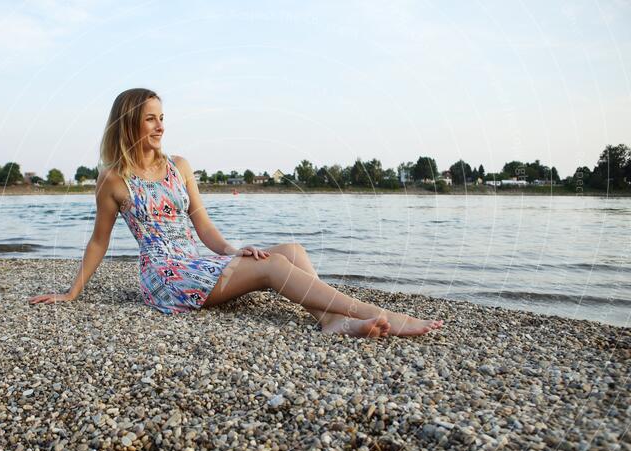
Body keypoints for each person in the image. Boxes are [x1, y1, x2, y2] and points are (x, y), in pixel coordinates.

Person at [28, 88, 444, 338]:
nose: (160, 126)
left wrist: (231, 250)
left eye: (162, 118)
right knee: (273, 268)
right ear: (129, 124)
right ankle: (380, 314)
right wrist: (72, 292)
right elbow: (99, 240)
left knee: (292, 251)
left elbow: (202, 223)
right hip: (169, 275)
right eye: (150, 119)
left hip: (201, 259)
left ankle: (330, 320)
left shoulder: (180, 166)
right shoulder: (114, 180)